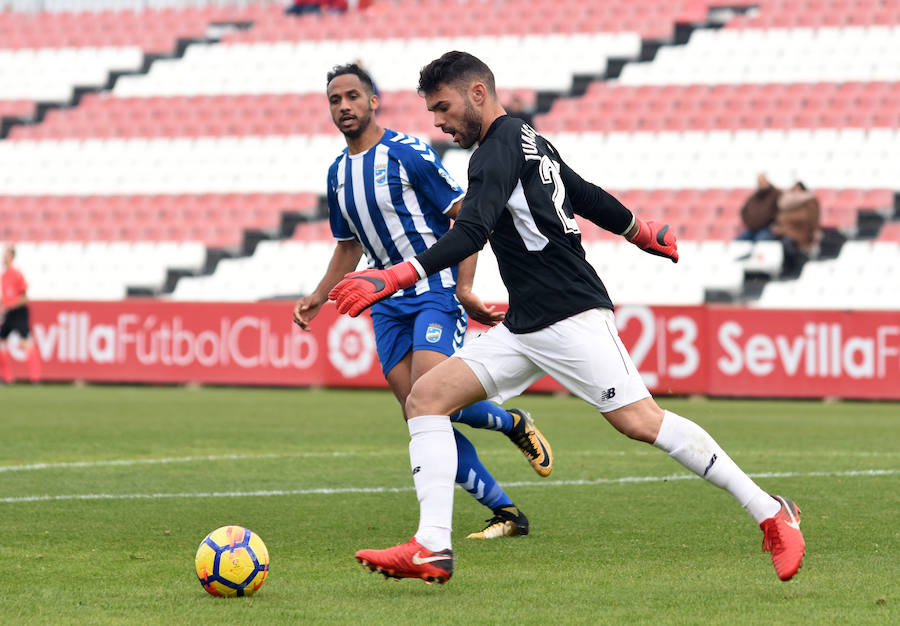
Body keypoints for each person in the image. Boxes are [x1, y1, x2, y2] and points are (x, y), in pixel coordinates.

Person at [329, 52, 806, 585]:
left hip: (571, 314)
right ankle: (432, 547)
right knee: (425, 398)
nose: (438, 121)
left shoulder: (492, 152)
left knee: (640, 422)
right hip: (525, 325)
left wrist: (396, 276)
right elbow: (580, 193)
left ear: (478, 94)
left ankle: (772, 512)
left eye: (443, 107)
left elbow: (473, 234)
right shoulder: (526, 138)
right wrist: (639, 231)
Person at [292, 63, 554, 541]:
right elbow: (349, 247)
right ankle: (506, 512)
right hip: (386, 302)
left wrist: (464, 287)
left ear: (374, 101)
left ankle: (512, 421)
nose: (345, 106)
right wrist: (318, 295)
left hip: (432, 289)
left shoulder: (407, 153)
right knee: (418, 411)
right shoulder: (337, 174)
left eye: (353, 96)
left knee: (434, 400)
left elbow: (467, 219)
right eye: (335, 100)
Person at [1, 245, 41, 384]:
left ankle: (35, 378)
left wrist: (9, 305)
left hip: (19, 312)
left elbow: (25, 298)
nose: (3, 258)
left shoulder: (17, 275)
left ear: (12, 257)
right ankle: (7, 377)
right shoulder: (4, 276)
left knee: (25, 343)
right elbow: (6, 298)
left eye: (6, 255)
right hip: (9, 314)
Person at [736, 173, 779, 242]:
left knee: (760, 242)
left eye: (762, 181)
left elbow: (781, 211)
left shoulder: (776, 194)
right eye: (759, 181)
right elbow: (744, 211)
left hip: (767, 229)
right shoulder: (754, 197)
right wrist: (749, 222)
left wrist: (775, 224)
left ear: (767, 181)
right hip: (752, 229)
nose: (761, 183)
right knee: (738, 242)